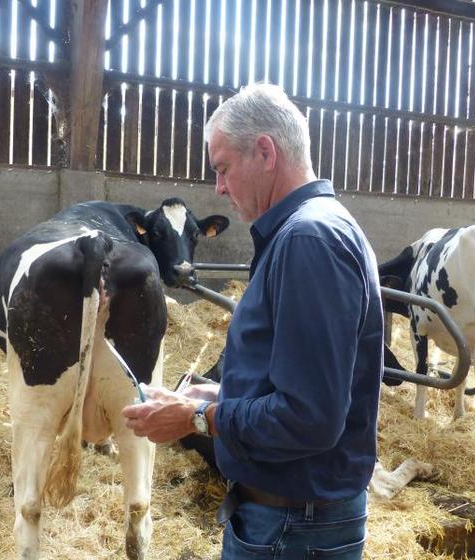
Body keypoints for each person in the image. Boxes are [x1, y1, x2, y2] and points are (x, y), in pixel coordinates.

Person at [122, 83, 383, 559]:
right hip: (294, 518)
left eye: (222, 168)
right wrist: (219, 394)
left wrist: (197, 418)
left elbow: (311, 418)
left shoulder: (309, 240)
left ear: (265, 151)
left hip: (293, 526)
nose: (219, 188)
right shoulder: (310, 230)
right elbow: (305, 388)